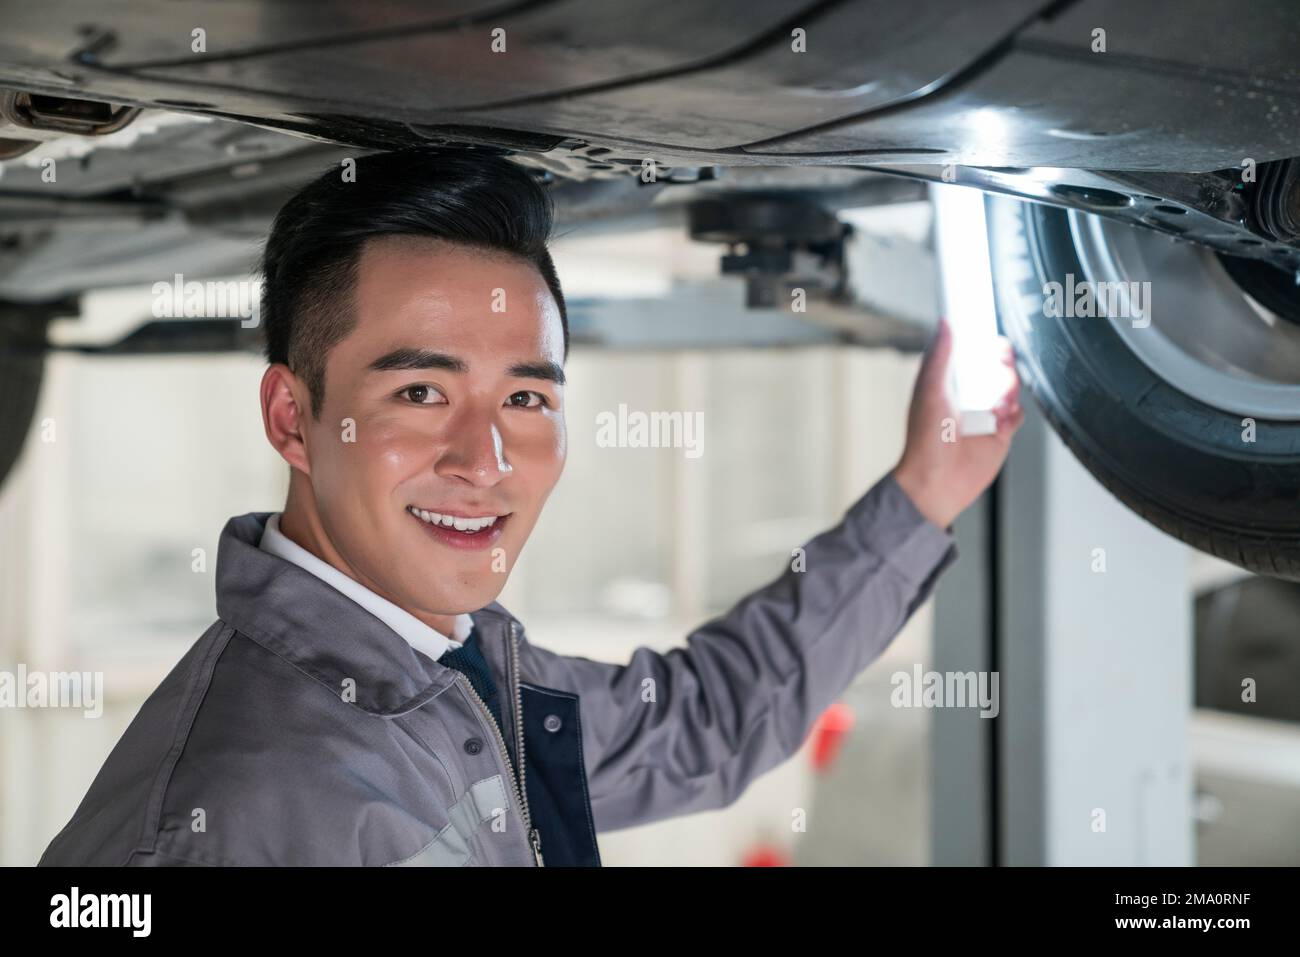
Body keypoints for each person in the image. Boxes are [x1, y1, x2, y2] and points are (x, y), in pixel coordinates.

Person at [38, 149, 1022, 867]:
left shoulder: (455, 676)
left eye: (526, 398)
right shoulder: (232, 820)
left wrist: (925, 489)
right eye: (420, 394)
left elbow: (704, 727)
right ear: (294, 419)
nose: (487, 459)